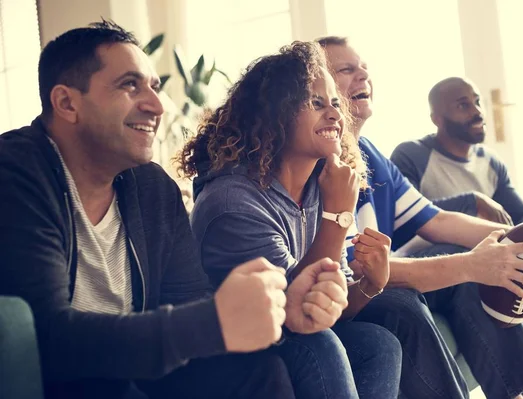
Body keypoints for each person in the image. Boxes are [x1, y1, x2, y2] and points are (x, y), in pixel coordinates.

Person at [0, 20, 312, 399]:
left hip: (132, 373)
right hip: (60, 381)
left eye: (154, 87)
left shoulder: (152, 187)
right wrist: (210, 323)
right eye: (130, 85)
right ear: (67, 103)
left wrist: (283, 310)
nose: (156, 105)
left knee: (258, 372)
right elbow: (42, 341)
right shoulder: (15, 174)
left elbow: (190, 307)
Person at [317, 36, 523, 399]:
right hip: (359, 287)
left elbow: (439, 220)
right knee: (445, 278)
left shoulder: (369, 153)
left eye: (365, 69)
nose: (363, 77)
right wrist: (473, 264)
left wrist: (521, 242)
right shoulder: (323, 162)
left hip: (381, 273)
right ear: (318, 88)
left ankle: (518, 393)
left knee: (465, 263)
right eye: (347, 70)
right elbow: (358, 270)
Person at [178, 41, 402, 399]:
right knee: (321, 346)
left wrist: (370, 285)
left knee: (379, 343)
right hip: (228, 351)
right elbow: (298, 311)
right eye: (316, 103)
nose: (334, 114)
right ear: (276, 115)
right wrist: (338, 215)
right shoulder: (232, 202)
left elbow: (328, 308)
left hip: (289, 327)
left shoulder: (317, 187)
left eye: (334, 103)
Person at [390, 76, 523, 399]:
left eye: (476, 102)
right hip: (443, 252)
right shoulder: (412, 154)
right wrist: (470, 200)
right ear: (437, 118)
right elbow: (412, 213)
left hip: (489, 241)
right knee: (519, 260)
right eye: (463, 105)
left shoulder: (489, 161)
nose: (476, 111)